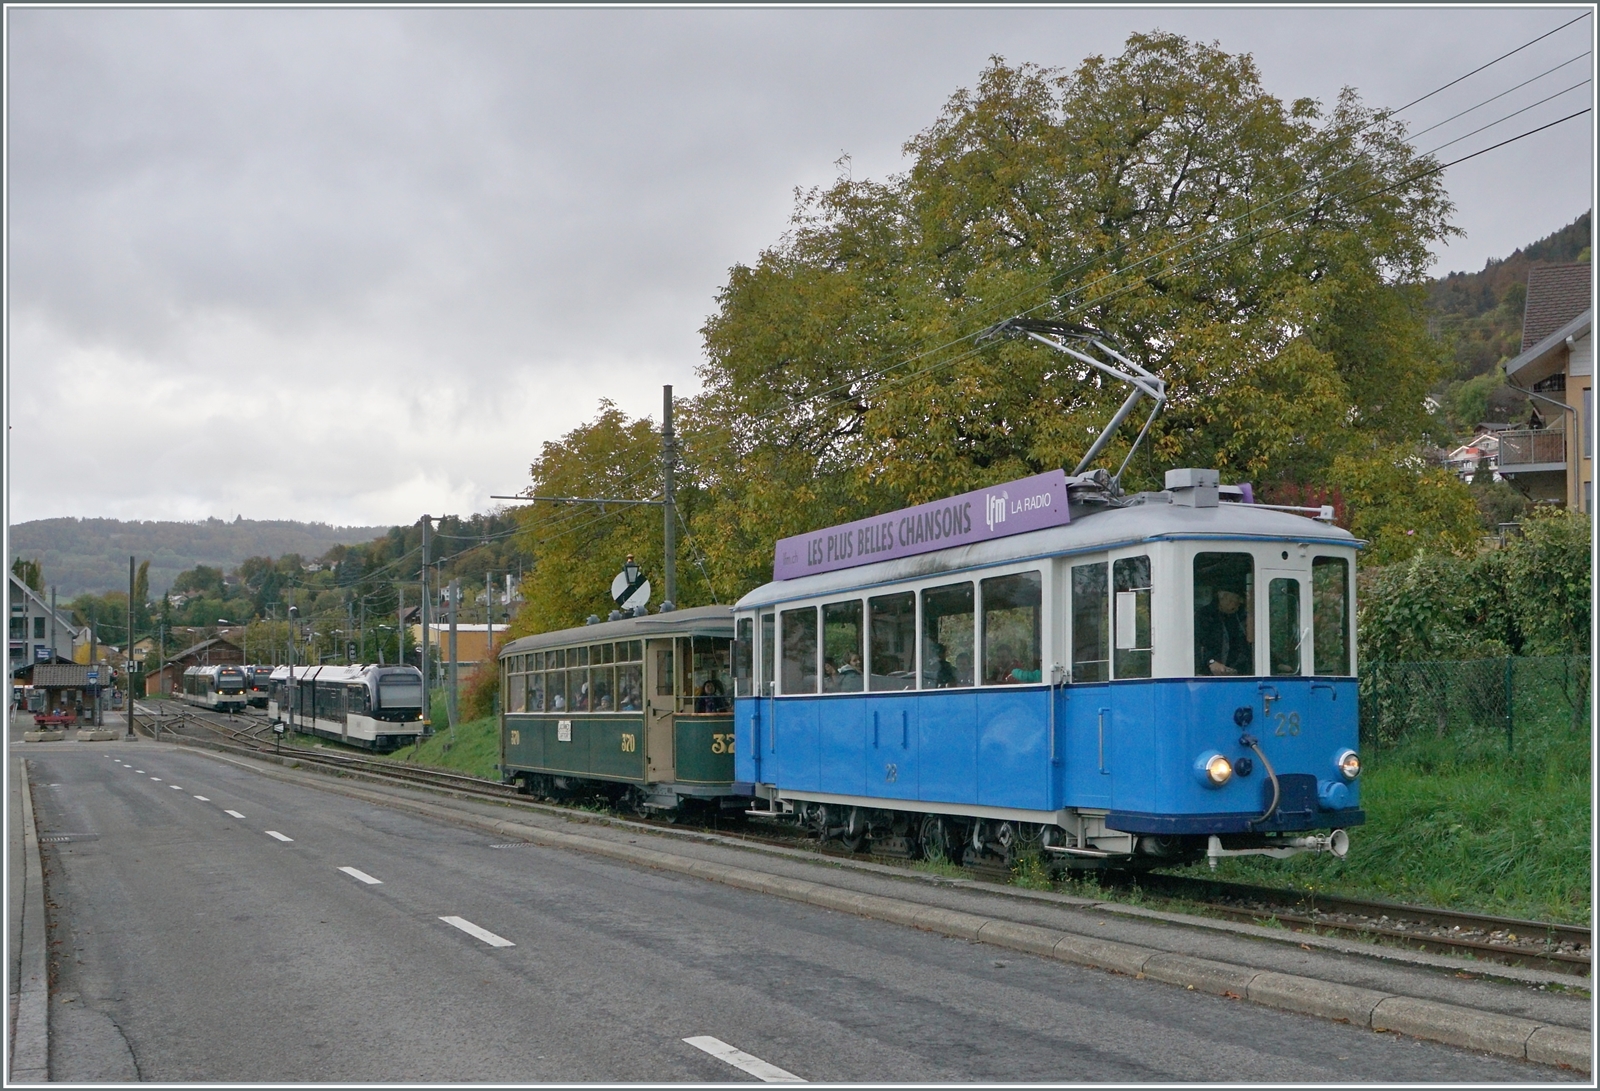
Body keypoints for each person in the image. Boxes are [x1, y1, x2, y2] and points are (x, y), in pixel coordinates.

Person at [1195, 587, 1253, 675]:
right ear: (1223, 598)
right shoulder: (1204, 616)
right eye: (1235, 599)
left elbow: (1254, 642)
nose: (1238, 603)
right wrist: (1211, 661)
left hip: (1240, 671)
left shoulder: (1240, 616)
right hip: (1211, 675)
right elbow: (1197, 644)